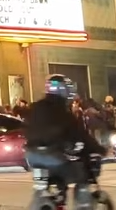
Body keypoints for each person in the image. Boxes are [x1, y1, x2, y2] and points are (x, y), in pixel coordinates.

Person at [25, 76, 96, 210]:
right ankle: (83, 206)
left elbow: (27, 129)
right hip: (53, 156)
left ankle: (51, 199)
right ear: (64, 91)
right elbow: (80, 135)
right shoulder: (63, 112)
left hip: (32, 156)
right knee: (81, 176)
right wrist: (98, 148)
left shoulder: (35, 108)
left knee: (41, 188)